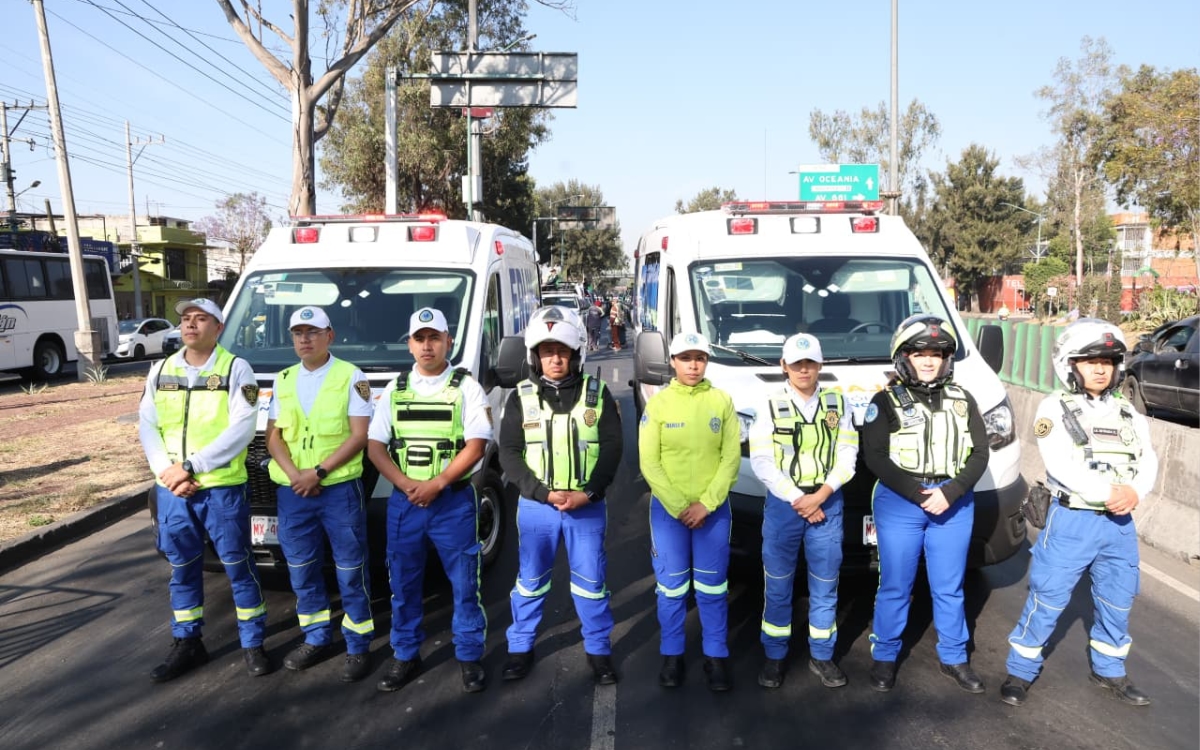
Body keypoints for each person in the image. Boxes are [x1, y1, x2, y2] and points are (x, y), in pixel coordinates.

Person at [1000, 319, 1158, 708]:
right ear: (1070, 365)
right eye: (1091, 362)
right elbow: (1060, 463)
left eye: (1108, 362)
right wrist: (1109, 493)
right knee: (1048, 596)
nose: (1101, 369)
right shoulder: (1054, 407)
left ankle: (1109, 670)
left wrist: (1135, 492)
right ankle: (1020, 671)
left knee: (1118, 598)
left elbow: (1148, 459)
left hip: (1119, 524)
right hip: (1073, 521)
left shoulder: (1128, 413)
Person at [138, 298, 269, 682]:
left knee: (239, 567)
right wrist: (167, 473)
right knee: (181, 568)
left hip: (221, 489)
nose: (190, 324)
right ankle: (187, 642)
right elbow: (148, 425)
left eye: (201, 319)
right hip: (174, 491)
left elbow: (242, 429)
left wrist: (190, 466)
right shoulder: (161, 369)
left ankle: (253, 643)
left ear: (219, 328)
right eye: (186, 319)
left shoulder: (236, 368)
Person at [861, 314, 990, 694]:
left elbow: (980, 453)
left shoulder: (963, 400)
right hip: (901, 501)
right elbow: (875, 457)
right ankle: (885, 656)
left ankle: (954, 657)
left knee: (949, 586)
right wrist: (921, 495)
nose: (930, 361)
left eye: (937, 354)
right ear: (904, 358)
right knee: (895, 583)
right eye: (920, 354)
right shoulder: (884, 401)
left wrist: (951, 492)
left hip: (953, 502)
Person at [367, 307, 492, 694]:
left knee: (465, 583)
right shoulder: (395, 388)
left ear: (447, 342)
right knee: (403, 585)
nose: (427, 346)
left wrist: (437, 483)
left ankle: (469, 655)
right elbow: (375, 447)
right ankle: (405, 654)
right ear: (409, 344)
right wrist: (407, 484)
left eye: (434, 338)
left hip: (451, 503)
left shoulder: (467, 387)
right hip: (406, 502)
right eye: (419, 339)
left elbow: (476, 445)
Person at [498, 306, 624, 685]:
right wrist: (541, 493)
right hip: (538, 508)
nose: (555, 358)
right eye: (547, 351)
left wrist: (590, 493)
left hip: (586, 507)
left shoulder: (597, 394)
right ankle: (520, 648)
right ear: (535, 356)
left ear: (575, 354)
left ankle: (598, 650)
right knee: (530, 581)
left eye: (562, 351)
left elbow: (613, 448)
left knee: (591, 583)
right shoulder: (519, 398)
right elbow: (509, 454)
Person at [265, 306, 375, 683]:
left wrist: (319, 472)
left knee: (350, 568)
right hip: (294, 491)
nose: (305, 339)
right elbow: (274, 436)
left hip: (338, 489)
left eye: (312, 332)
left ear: (330, 336)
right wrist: (296, 475)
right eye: (298, 333)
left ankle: (358, 643)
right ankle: (316, 637)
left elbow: (359, 435)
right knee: (301, 568)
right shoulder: (283, 379)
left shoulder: (351, 376)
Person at [748, 333, 858, 689]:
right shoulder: (769, 404)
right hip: (785, 506)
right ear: (784, 366)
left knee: (825, 584)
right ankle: (774, 656)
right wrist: (801, 499)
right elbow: (762, 461)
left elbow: (848, 455)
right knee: (778, 585)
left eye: (810, 362)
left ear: (820, 365)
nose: (804, 369)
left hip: (827, 502)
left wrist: (821, 494)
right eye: (797, 363)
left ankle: (822, 655)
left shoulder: (837, 402)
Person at [640, 332, 741, 691]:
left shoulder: (721, 401)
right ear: (673, 361)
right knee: (671, 589)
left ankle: (715, 655)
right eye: (685, 358)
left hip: (712, 512)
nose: (693, 365)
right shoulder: (658, 405)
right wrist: (681, 506)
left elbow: (731, 458)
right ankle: (672, 654)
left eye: (699, 358)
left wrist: (706, 504)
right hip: (670, 514)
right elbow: (649, 462)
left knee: (713, 588)